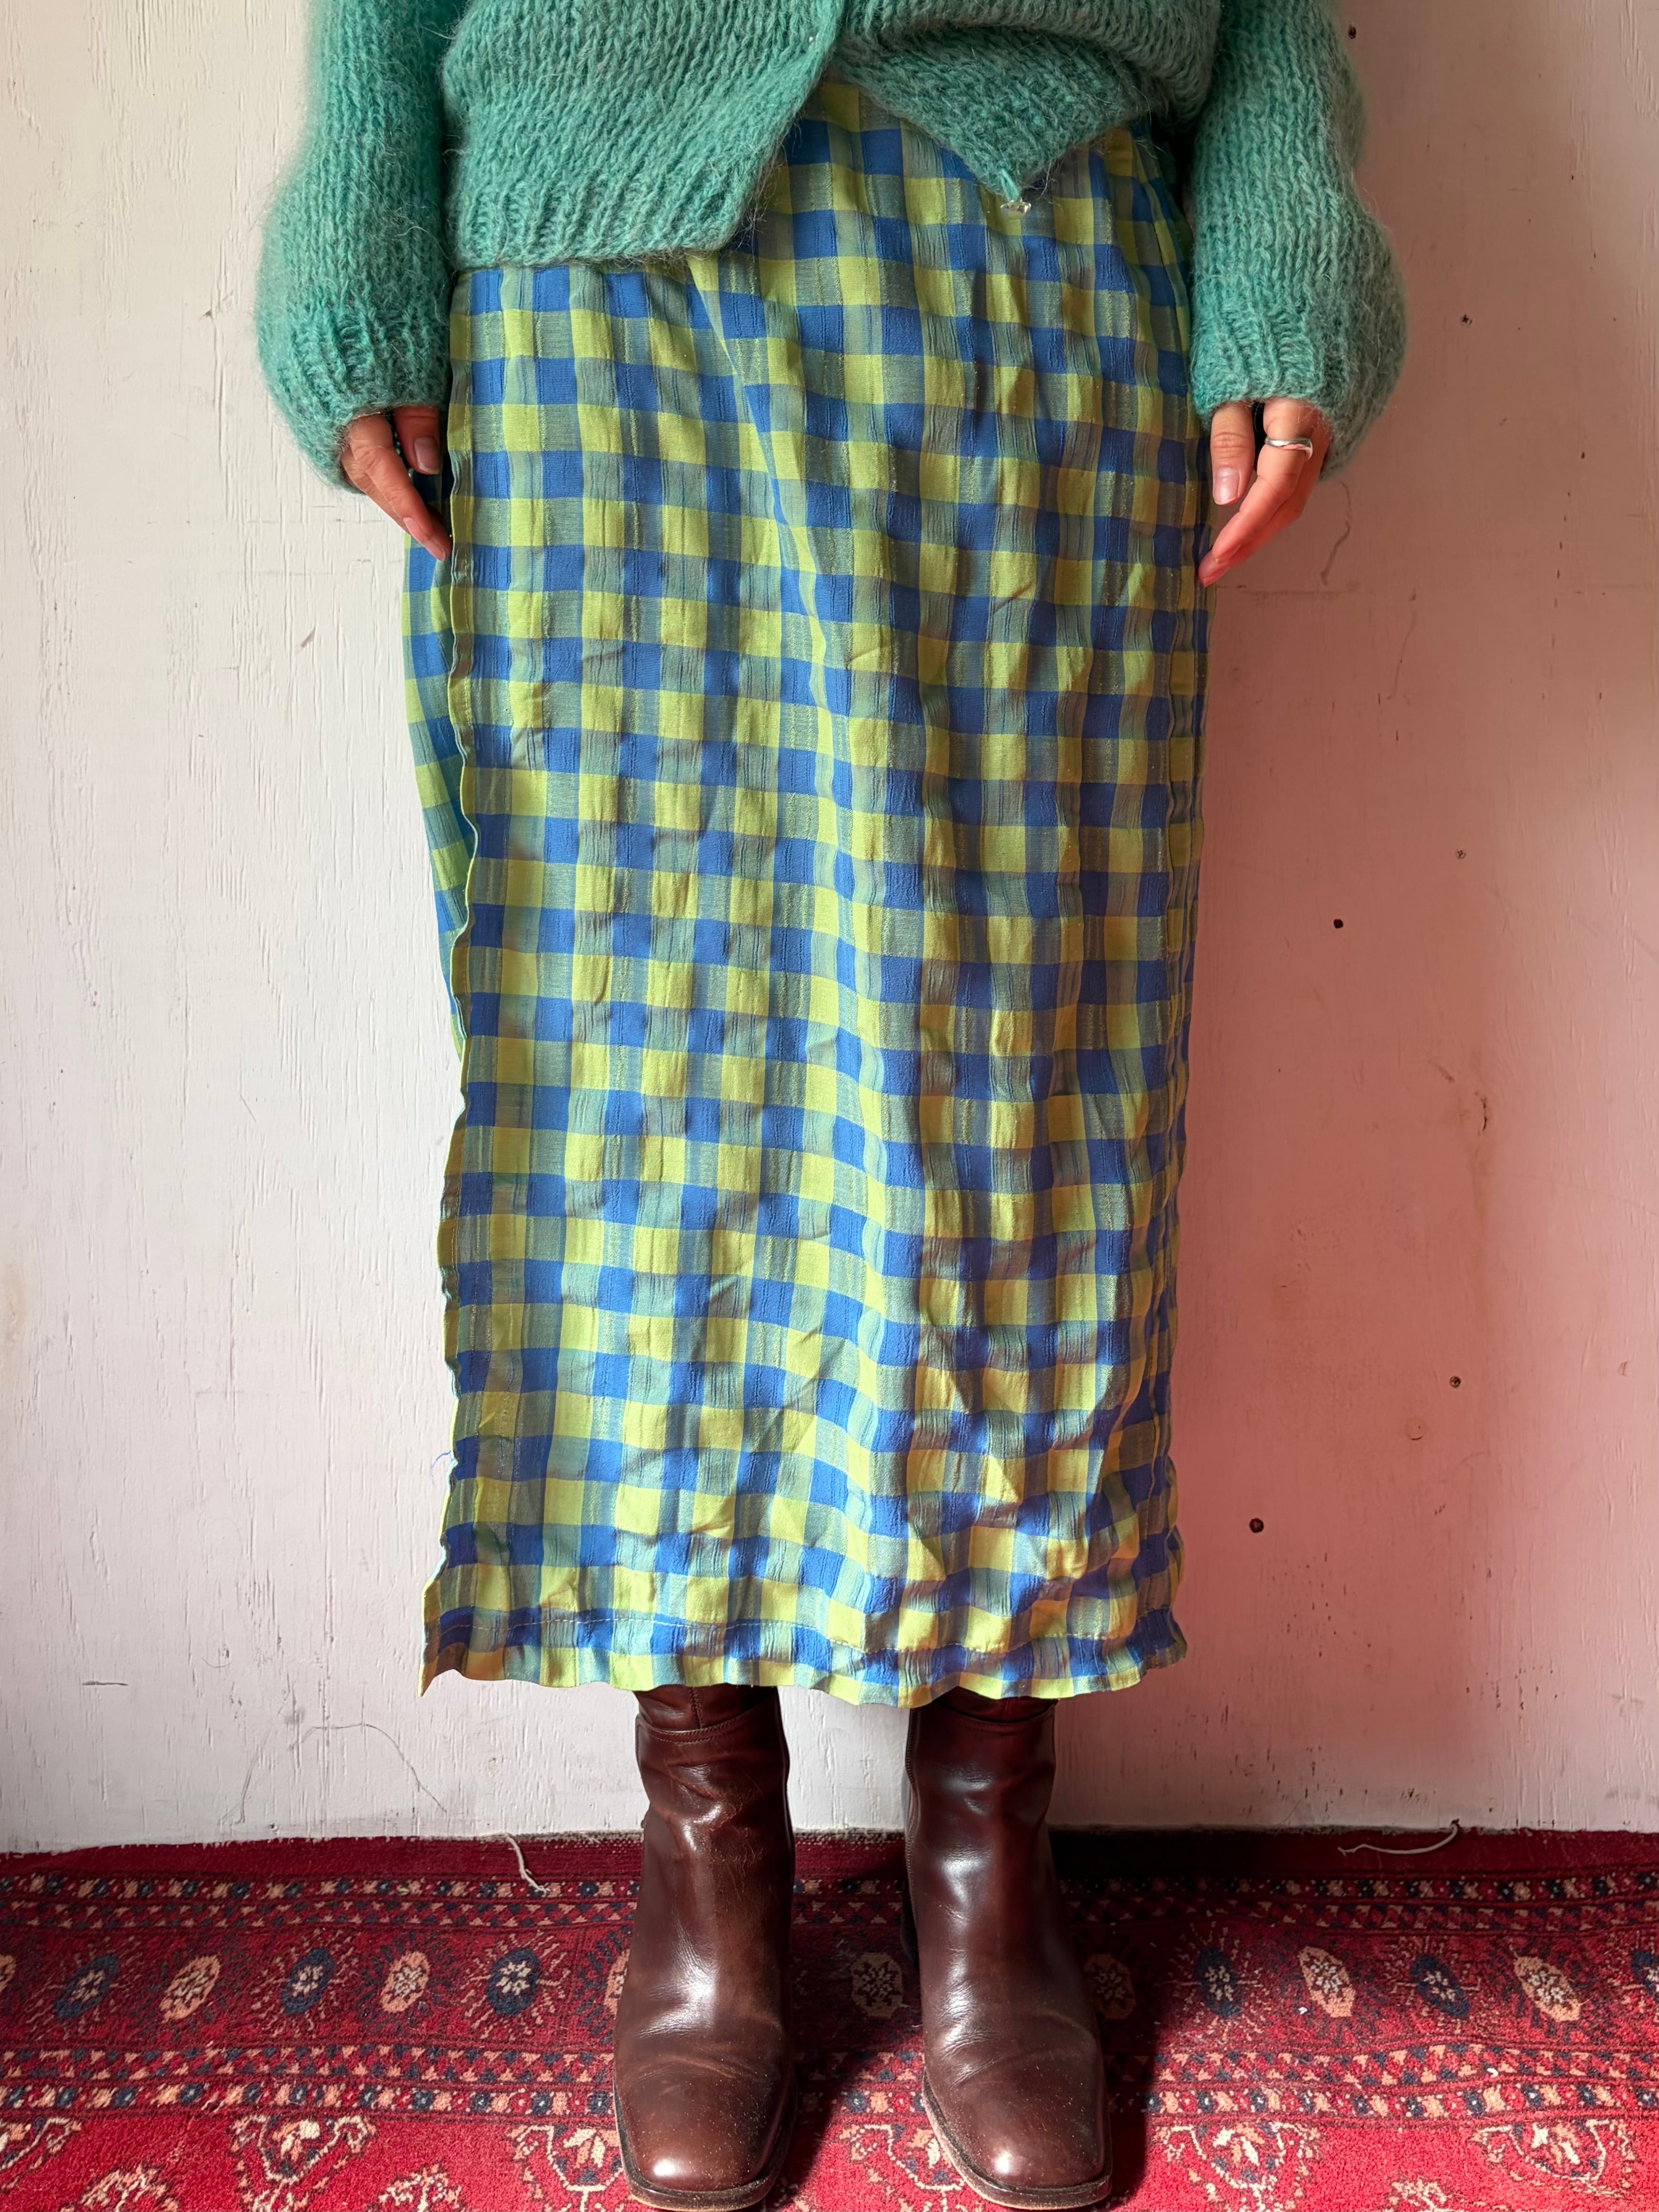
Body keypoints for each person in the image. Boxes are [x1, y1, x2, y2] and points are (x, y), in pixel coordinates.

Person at [257, 4, 1403, 2205]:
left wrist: (1276, 233)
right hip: (588, 311)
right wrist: (354, 220)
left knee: (1018, 1103)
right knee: (634, 1099)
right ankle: (710, 1865)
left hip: (1030, 260)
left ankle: (987, 1860)